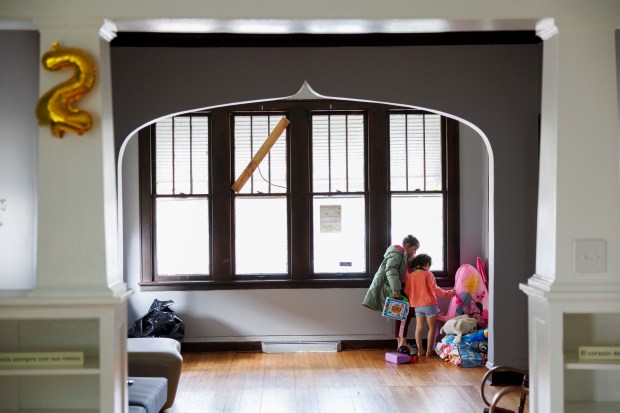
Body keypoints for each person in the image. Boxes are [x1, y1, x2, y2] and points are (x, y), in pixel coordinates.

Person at [362, 234, 419, 351]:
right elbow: (391, 271)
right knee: (403, 315)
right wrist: (396, 290)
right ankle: (402, 342)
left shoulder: (403, 256)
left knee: (402, 315)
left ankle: (401, 342)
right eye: (414, 249)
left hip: (401, 287)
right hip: (396, 288)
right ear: (407, 246)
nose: (414, 252)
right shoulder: (397, 254)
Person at [400, 253, 456, 356]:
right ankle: (429, 351)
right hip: (429, 304)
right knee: (431, 328)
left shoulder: (411, 276)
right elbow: (435, 289)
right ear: (426, 264)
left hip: (417, 305)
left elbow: (407, 291)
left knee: (419, 327)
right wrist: (448, 294)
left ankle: (420, 350)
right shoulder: (428, 274)